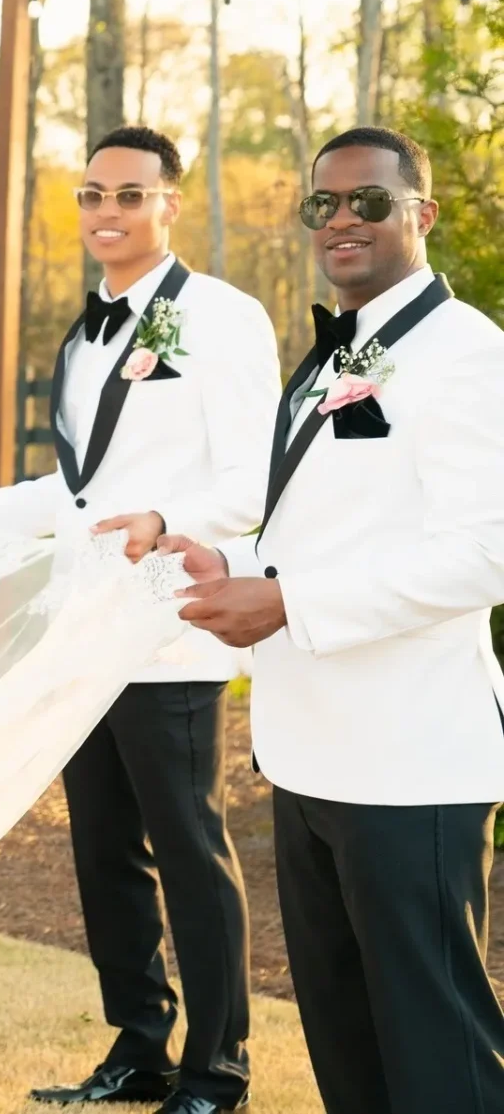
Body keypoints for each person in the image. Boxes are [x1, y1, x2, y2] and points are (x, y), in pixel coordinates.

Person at [164, 127, 504, 1114]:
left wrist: (287, 604)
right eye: (325, 205)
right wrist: (227, 563)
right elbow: (320, 530)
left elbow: (485, 553)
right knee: (348, 1050)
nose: (343, 221)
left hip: (409, 763)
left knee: (437, 1056)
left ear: (420, 215)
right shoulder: (332, 357)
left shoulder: (468, 354)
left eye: (370, 202)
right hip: (307, 756)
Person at [0, 126, 276, 1114]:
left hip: (169, 624)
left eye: (130, 196)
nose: (108, 213)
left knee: (188, 847)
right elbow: (82, 489)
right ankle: (140, 1046)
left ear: (169, 204)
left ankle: (216, 1070)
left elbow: (257, 477)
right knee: (104, 853)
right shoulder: (87, 332)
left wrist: (167, 523)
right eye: (94, 195)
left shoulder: (222, 319)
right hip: (84, 630)